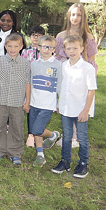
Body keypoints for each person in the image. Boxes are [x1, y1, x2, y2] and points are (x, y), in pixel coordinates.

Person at [51, 35, 97, 178]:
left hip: (81, 109)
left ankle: (83, 163)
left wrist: (86, 110)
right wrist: (59, 104)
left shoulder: (87, 68)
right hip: (66, 108)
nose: (72, 51)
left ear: (82, 49)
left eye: (75, 48)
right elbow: (61, 87)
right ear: (64, 50)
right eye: (68, 48)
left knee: (82, 137)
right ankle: (65, 161)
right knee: (67, 136)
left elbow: (91, 90)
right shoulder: (63, 66)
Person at [55, 3, 98, 148]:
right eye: (73, 14)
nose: (75, 17)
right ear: (68, 16)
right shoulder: (61, 36)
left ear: (83, 17)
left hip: (80, 74)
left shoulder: (88, 36)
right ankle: (68, 134)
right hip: (65, 73)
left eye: (79, 15)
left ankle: (77, 136)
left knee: (78, 101)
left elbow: (91, 58)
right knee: (66, 101)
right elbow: (56, 56)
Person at [0, 10, 26, 139]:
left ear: (13, 22)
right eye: (3, 20)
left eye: (9, 20)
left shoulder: (19, 37)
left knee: (9, 98)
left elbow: (23, 54)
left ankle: (7, 126)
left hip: (13, 71)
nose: (5, 23)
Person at [0, 33, 30, 165]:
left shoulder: (25, 64)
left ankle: (15, 152)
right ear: (5, 46)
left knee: (17, 127)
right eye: (9, 46)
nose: (12, 49)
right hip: (1, 100)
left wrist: (27, 101)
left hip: (17, 102)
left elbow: (27, 83)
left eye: (16, 46)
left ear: (21, 47)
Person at [29, 35, 62, 167]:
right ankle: (40, 155)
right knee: (34, 129)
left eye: (50, 47)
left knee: (37, 129)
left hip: (47, 105)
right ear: (38, 48)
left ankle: (53, 135)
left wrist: (60, 103)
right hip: (33, 102)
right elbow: (30, 83)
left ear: (54, 49)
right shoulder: (34, 64)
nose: (47, 50)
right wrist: (27, 100)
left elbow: (60, 85)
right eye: (44, 47)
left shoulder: (58, 65)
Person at [21, 25, 46, 147]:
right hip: (28, 84)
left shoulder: (46, 52)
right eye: (34, 35)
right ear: (30, 37)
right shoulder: (26, 52)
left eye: (39, 35)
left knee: (40, 109)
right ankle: (31, 134)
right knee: (29, 108)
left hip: (41, 85)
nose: (36, 37)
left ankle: (38, 133)